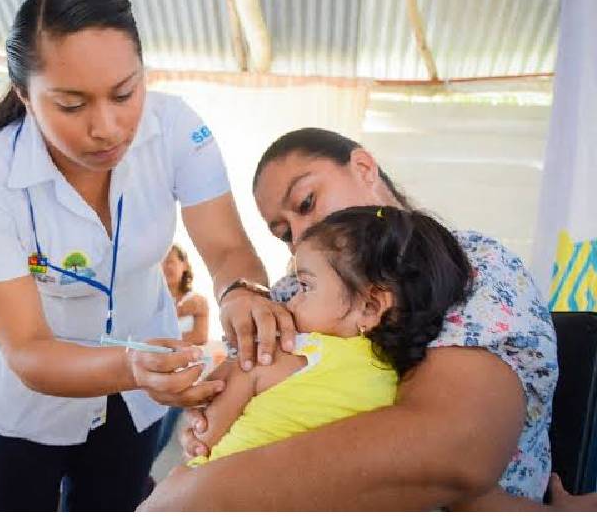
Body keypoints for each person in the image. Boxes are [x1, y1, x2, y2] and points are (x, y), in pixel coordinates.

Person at [0, 0, 288, 512]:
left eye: (125, 94)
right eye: (72, 105)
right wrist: (134, 367)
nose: (108, 127)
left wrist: (241, 291)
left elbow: (226, 247)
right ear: (24, 95)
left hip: (135, 401)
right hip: (25, 401)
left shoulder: (175, 129)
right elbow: (29, 351)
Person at [141, 127, 561, 510]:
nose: (302, 233)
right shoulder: (293, 295)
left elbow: (455, 449)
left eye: (306, 202)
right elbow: (235, 394)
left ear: (363, 167)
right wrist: (204, 409)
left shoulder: (470, 265)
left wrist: (202, 494)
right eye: (284, 233)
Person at [187, 206, 470, 468]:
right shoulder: (397, 381)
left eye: (305, 286)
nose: (291, 302)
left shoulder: (299, 349)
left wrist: (208, 412)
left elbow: (204, 439)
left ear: (370, 308)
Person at [154, 244, 209, 460]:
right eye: (162, 261)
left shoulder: (196, 301)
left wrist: (165, 341)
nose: (166, 266)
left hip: (181, 379)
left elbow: (200, 337)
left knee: (160, 434)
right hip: (151, 375)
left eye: (171, 261)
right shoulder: (152, 301)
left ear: (184, 265)